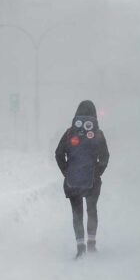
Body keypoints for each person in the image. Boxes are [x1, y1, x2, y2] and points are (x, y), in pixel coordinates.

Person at [55, 100, 110, 259]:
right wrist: (97, 172)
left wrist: (67, 171)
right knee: (91, 210)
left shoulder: (69, 132)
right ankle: (92, 245)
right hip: (92, 182)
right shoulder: (98, 134)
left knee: (77, 213)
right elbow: (105, 156)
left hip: (73, 181)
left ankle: (80, 248)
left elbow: (59, 154)